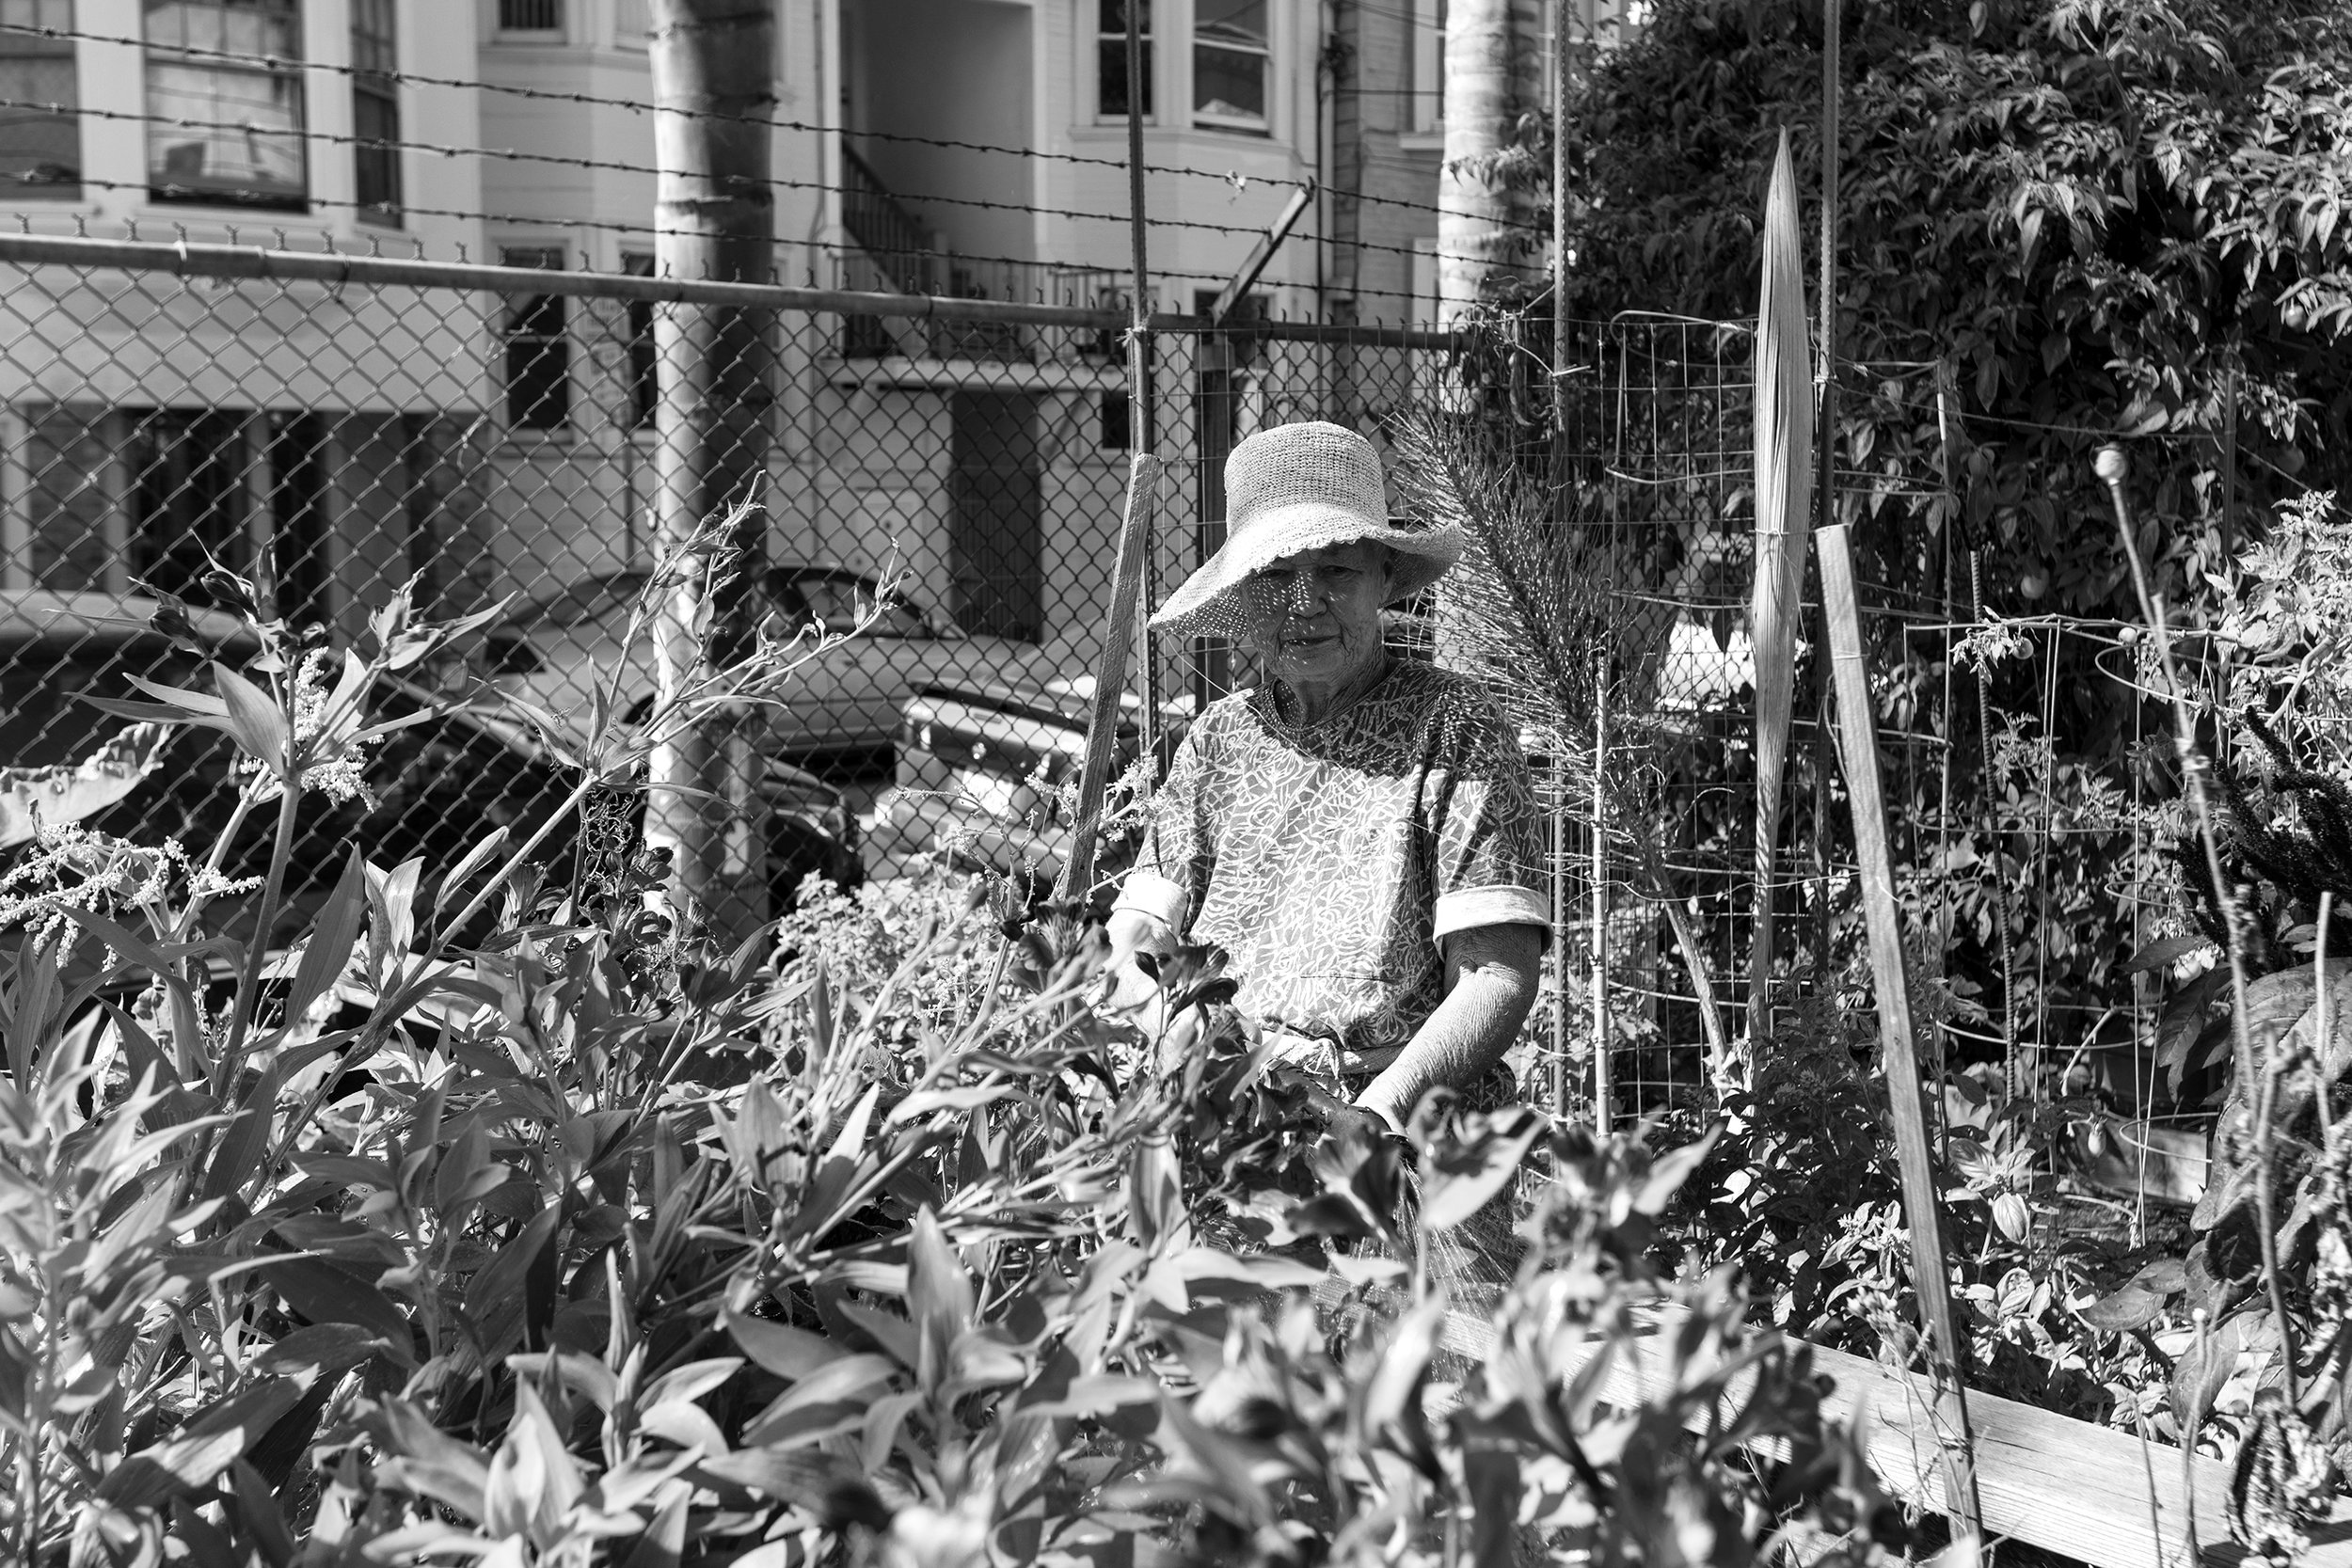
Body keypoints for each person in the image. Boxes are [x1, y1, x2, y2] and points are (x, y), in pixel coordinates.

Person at [1107, 420, 1549, 1131]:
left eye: (1336, 569)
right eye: (1276, 574)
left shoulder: (1454, 725)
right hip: (1233, 1122)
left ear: (1381, 576)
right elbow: (1137, 934)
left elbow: (1494, 974)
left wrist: (1376, 1115)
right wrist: (1173, 1042)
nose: (1303, 602)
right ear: (1245, 593)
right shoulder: (1219, 741)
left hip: (1409, 1129)